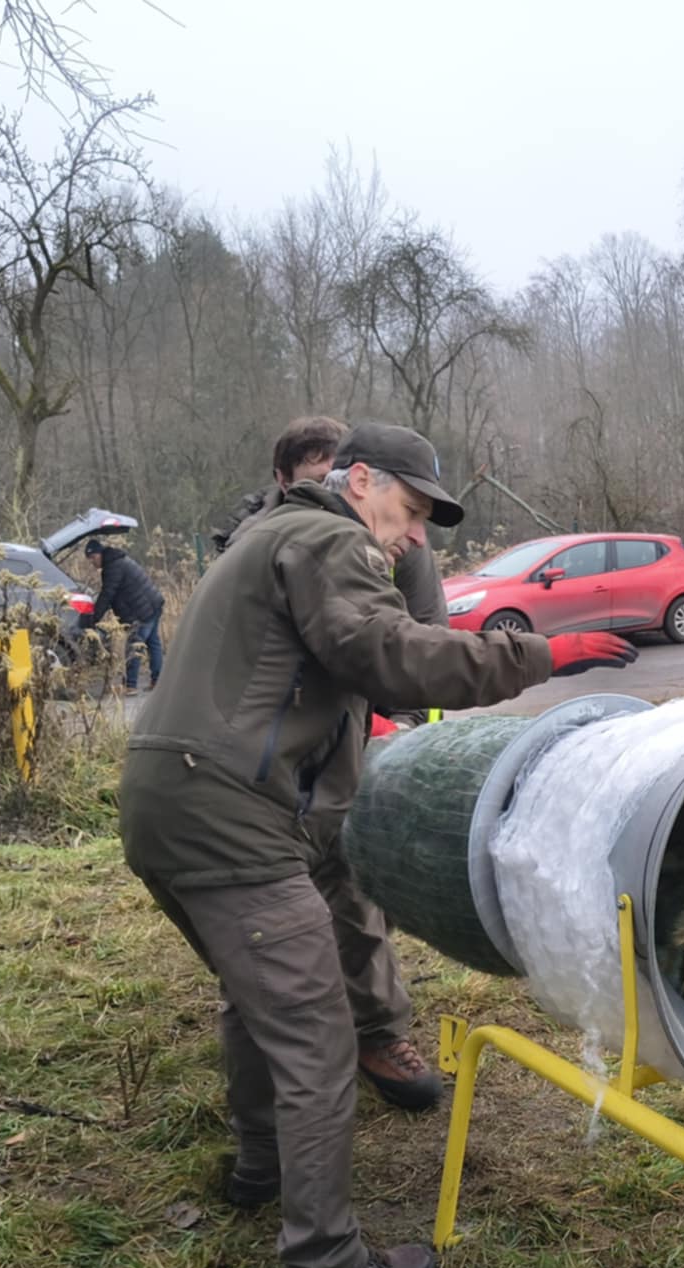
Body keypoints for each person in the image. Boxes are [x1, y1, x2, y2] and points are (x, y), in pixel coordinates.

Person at [119, 421, 638, 1268]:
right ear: (358, 482)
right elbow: (394, 655)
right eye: (405, 513)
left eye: (425, 525)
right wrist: (545, 654)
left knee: (261, 995)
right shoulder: (325, 539)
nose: (410, 539)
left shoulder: (272, 537)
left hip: (174, 796)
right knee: (319, 1040)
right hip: (227, 816)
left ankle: (261, 1168)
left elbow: (365, 684)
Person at [221, 417, 454, 1114]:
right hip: (261, 769)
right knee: (260, 925)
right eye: (312, 486)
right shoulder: (253, 543)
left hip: (354, 752)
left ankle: (379, 1031)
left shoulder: (401, 543)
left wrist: (399, 732)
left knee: (353, 894)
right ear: (285, 485)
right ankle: (263, 1058)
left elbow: (425, 651)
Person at [80, 538, 165, 691]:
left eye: (92, 558)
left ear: (99, 554)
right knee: (153, 643)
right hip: (153, 603)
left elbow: (107, 595)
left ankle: (130, 686)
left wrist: (93, 619)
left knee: (134, 646)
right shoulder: (118, 560)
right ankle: (158, 680)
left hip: (142, 611)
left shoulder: (113, 567)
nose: (92, 562)